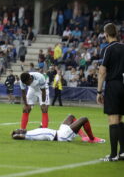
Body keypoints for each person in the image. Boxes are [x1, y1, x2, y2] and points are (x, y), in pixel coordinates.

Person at [97, 23, 124, 162]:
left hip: (113, 85)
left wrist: (99, 91)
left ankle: (113, 155)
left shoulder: (108, 48)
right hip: (123, 85)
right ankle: (123, 152)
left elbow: (102, 71)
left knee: (113, 119)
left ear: (106, 34)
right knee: (120, 119)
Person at [12, 114, 105, 143]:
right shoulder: (29, 135)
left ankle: (84, 137)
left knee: (71, 117)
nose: (21, 129)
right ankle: (92, 139)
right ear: (22, 134)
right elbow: (17, 137)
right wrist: (15, 135)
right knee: (84, 119)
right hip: (62, 136)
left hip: (59, 131)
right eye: (20, 130)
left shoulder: (31, 132)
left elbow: (41, 129)